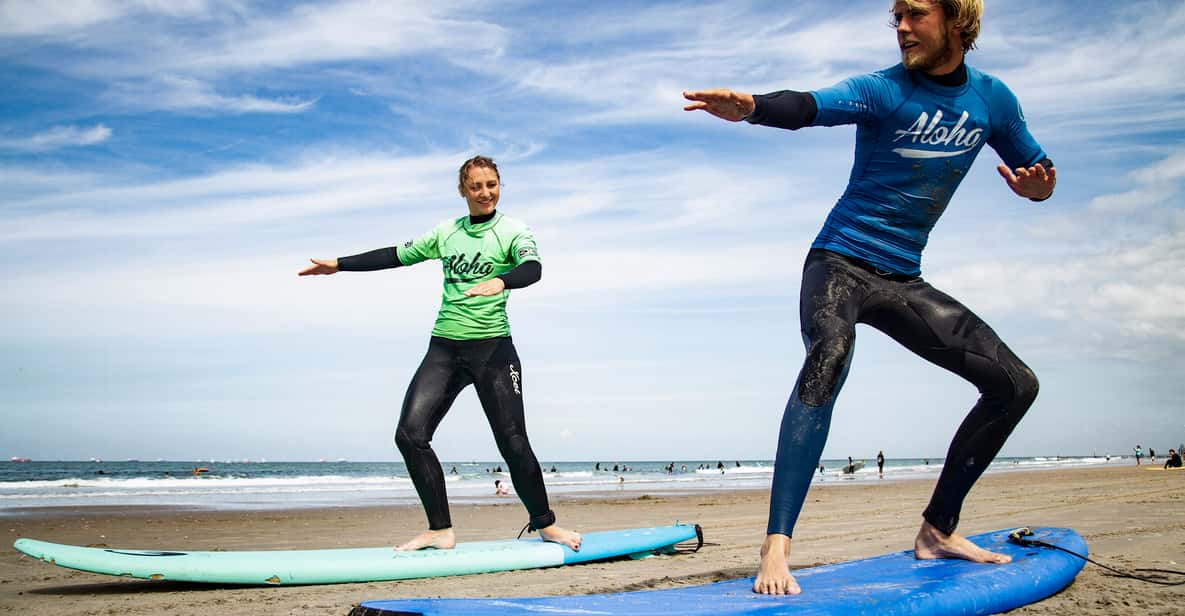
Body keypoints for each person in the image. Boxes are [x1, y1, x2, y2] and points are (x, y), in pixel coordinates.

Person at [684, 0, 1054, 595]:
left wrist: (1040, 187)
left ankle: (938, 529)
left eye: (915, 14)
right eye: (897, 17)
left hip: (902, 279)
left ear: (958, 20)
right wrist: (752, 107)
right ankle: (776, 546)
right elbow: (810, 106)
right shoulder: (884, 90)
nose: (901, 28)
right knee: (829, 353)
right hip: (838, 264)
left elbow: (1037, 169)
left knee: (1016, 385)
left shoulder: (994, 101)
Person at [300, 155, 581, 553]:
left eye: (492, 185)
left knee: (513, 441)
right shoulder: (446, 233)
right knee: (410, 436)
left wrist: (501, 280)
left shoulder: (514, 231)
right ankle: (440, 529)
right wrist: (340, 265)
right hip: (444, 349)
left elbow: (532, 268)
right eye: (476, 186)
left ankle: (546, 525)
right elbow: (396, 255)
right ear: (463, 190)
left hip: (493, 350)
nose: (485, 193)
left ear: (500, 186)